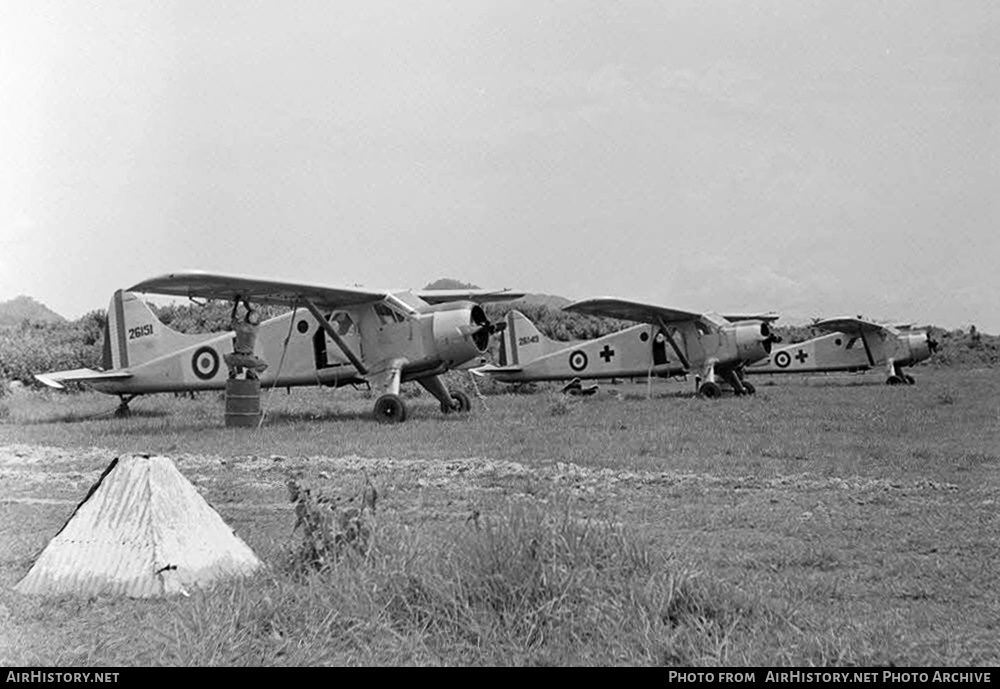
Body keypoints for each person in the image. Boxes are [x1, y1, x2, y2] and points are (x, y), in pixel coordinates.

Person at [223, 300, 269, 380]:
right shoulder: (254, 328)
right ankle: (252, 372)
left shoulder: (239, 327)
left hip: (238, 357)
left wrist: (237, 302)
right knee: (264, 364)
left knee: (226, 357)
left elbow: (233, 316)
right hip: (249, 359)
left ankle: (232, 371)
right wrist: (247, 304)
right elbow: (255, 315)